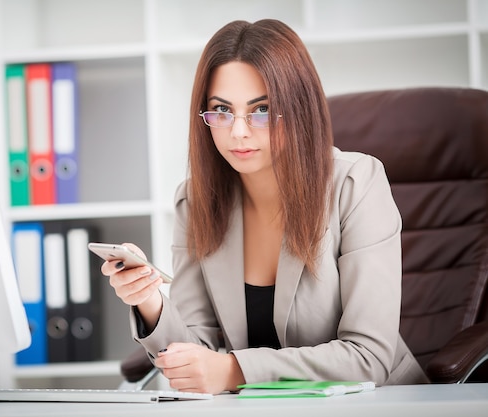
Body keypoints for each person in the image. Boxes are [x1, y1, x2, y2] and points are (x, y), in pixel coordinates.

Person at [101, 19, 428, 394]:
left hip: (383, 403)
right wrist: (149, 301)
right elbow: (196, 356)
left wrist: (234, 371)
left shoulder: (355, 183)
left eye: (261, 110)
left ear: (299, 109)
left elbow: (368, 356)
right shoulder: (195, 202)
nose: (238, 131)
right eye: (221, 110)